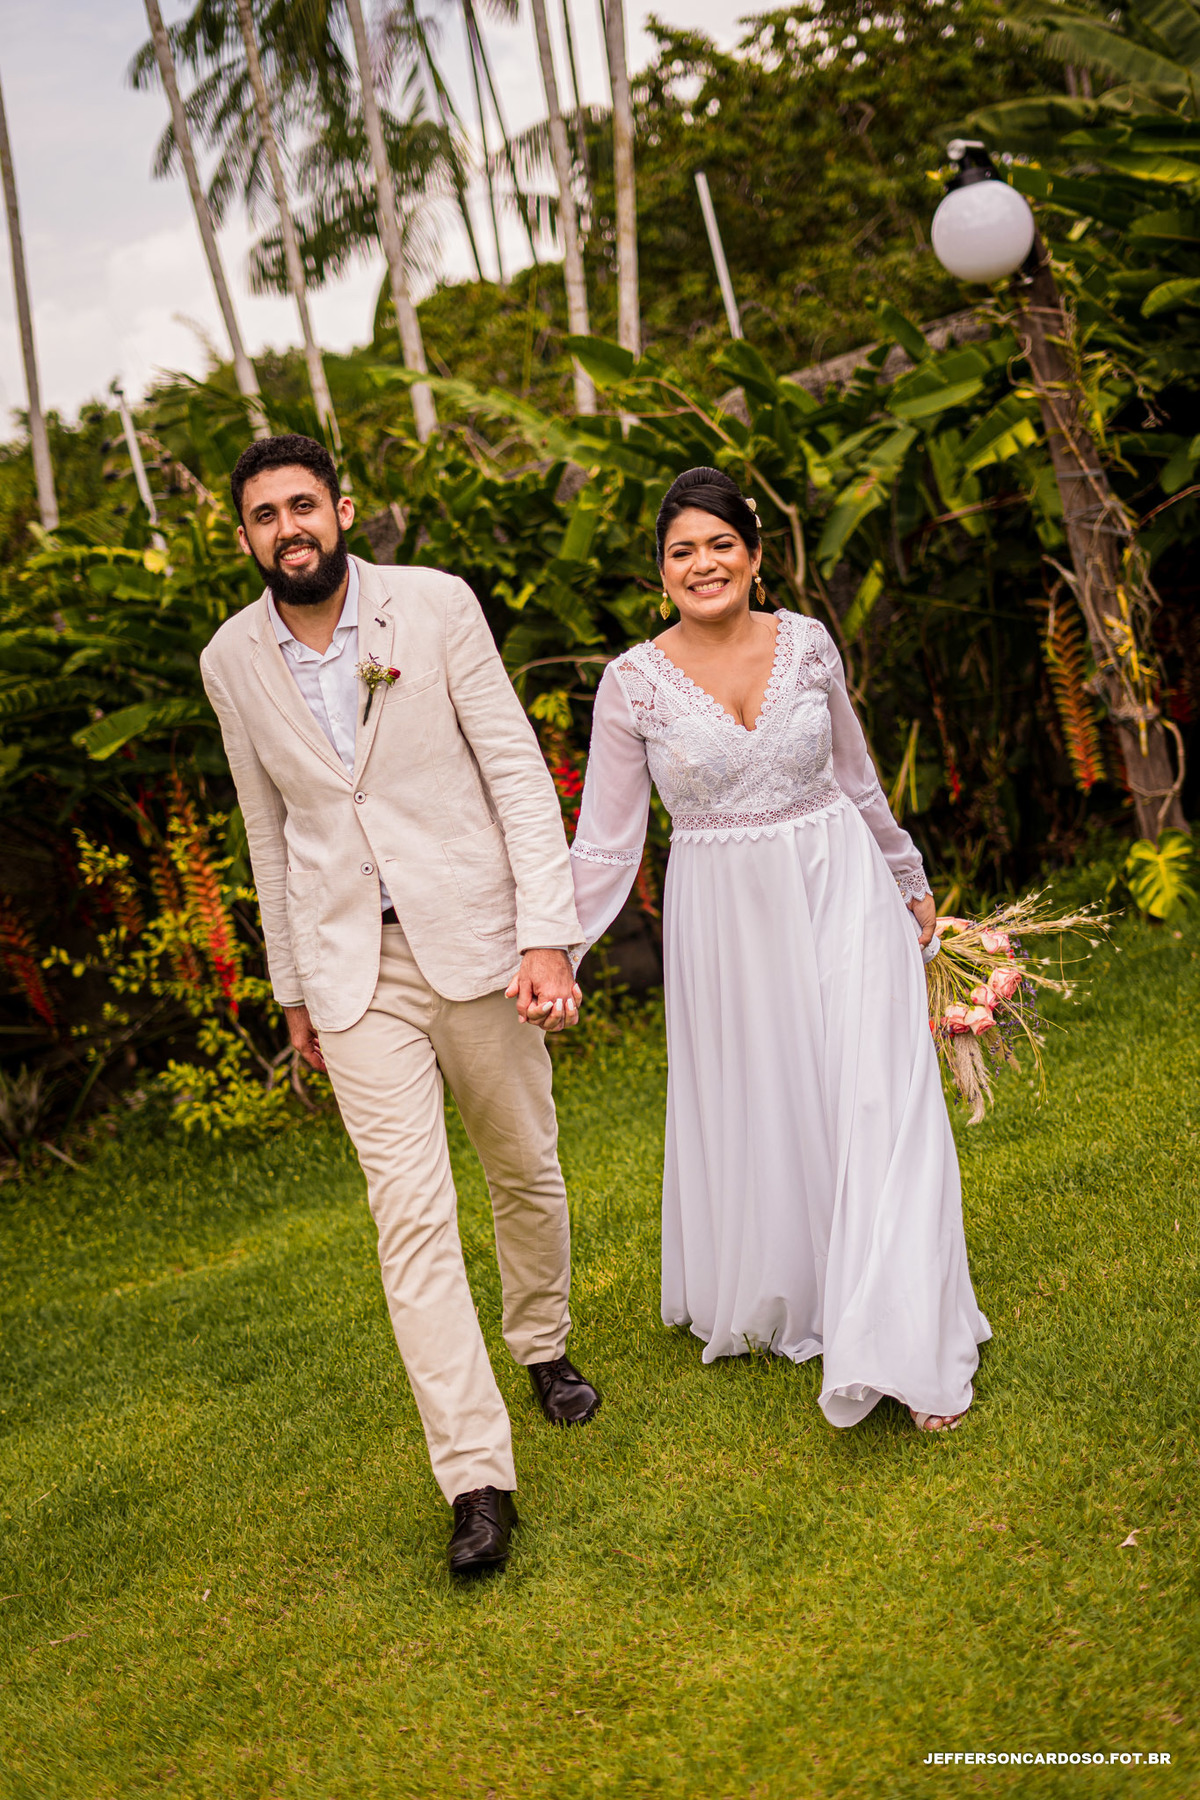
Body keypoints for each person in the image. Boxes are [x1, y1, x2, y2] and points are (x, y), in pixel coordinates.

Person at [200, 433, 600, 1576]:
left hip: (477, 942)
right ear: (245, 538)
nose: (289, 529)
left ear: (342, 509)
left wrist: (543, 934)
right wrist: (292, 996)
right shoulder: (230, 662)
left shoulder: (433, 608)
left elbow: (516, 769)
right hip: (350, 973)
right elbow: (266, 835)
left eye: (303, 506)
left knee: (522, 1162)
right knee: (409, 1217)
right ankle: (475, 1478)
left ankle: (543, 1342)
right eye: (265, 516)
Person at [569, 467, 989, 1432]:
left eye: (721, 544)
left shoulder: (807, 644)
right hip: (727, 920)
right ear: (661, 573)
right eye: (682, 551)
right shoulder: (631, 684)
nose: (702, 563)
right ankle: (810, 1279)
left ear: (755, 557)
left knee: (880, 1093)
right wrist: (553, 947)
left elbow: (857, 776)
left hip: (843, 885)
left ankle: (905, 1341)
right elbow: (605, 840)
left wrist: (909, 879)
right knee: (784, 1099)